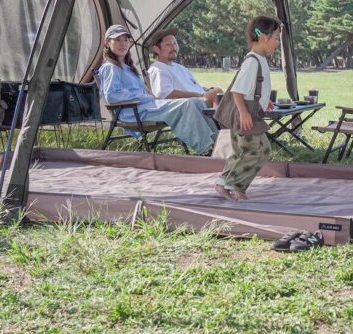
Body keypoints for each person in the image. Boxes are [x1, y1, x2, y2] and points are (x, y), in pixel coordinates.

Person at [97, 25, 218, 155]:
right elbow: (112, 95)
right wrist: (146, 97)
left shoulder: (126, 68)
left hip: (147, 107)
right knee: (187, 104)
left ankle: (217, 141)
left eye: (125, 40)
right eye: (117, 40)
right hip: (134, 112)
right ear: (107, 43)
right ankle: (207, 149)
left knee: (196, 102)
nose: (123, 44)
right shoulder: (110, 67)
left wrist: (148, 96)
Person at [214, 16, 280, 201]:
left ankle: (224, 182)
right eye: (276, 38)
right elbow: (237, 91)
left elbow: (254, 87)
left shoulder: (260, 59)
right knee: (254, 151)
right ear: (263, 37)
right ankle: (236, 185)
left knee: (252, 151)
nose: (277, 43)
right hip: (246, 115)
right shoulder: (252, 62)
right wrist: (243, 113)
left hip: (251, 111)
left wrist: (264, 101)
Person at [147, 28, 222, 107]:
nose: (174, 47)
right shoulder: (158, 69)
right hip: (190, 105)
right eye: (168, 44)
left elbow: (194, 85)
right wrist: (199, 95)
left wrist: (207, 91)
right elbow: (165, 94)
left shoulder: (180, 68)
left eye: (175, 43)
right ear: (156, 49)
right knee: (217, 92)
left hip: (200, 99)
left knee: (222, 94)